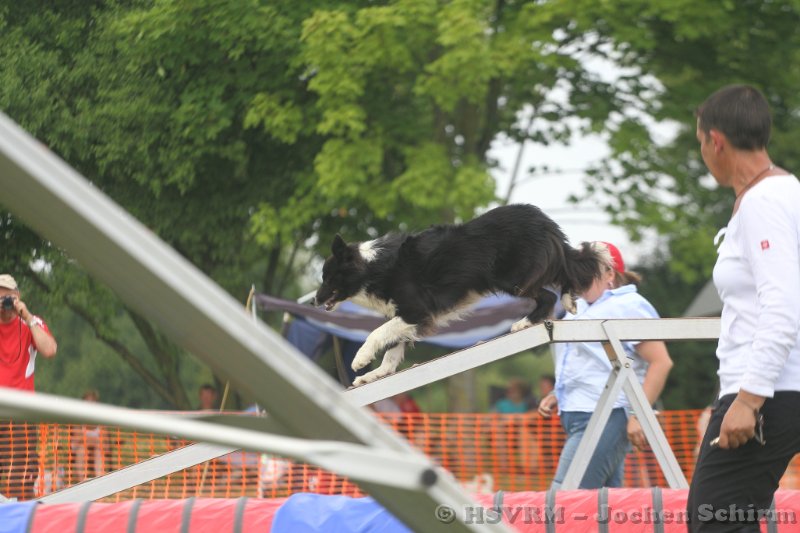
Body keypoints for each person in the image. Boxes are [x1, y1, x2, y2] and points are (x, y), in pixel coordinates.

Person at [687, 85, 800, 532]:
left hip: (769, 392)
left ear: (716, 140)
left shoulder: (764, 202)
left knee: (715, 522)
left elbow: (783, 304)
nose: (703, 154)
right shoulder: (785, 193)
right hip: (780, 386)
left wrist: (749, 400)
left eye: (700, 142)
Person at [537, 243, 673, 489]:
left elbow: (661, 362)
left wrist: (639, 415)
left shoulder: (629, 305)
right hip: (580, 414)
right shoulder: (579, 306)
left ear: (610, 273)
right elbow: (587, 363)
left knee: (564, 498)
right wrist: (558, 392)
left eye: (585, 272)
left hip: (608, 414)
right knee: (603, 502)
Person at [0, 274, 57, 500]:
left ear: (17, 296)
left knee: (19, 477)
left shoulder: (31, 323)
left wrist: (26, 315)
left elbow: (50, 350)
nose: (4, 301)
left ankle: (19, 516)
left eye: (8, 296)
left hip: (20, 414)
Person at [70, 390, 109, 481]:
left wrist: (86, 440)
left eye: (92, 403)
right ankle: (82, 480)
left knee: (98, 451)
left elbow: (106, 447)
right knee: (81, 449)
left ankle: (99, 479)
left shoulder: (102, 423)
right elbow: (74, 445)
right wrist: (95, 441)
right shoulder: (78, 422)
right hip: (81, 451)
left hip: (97, 452)